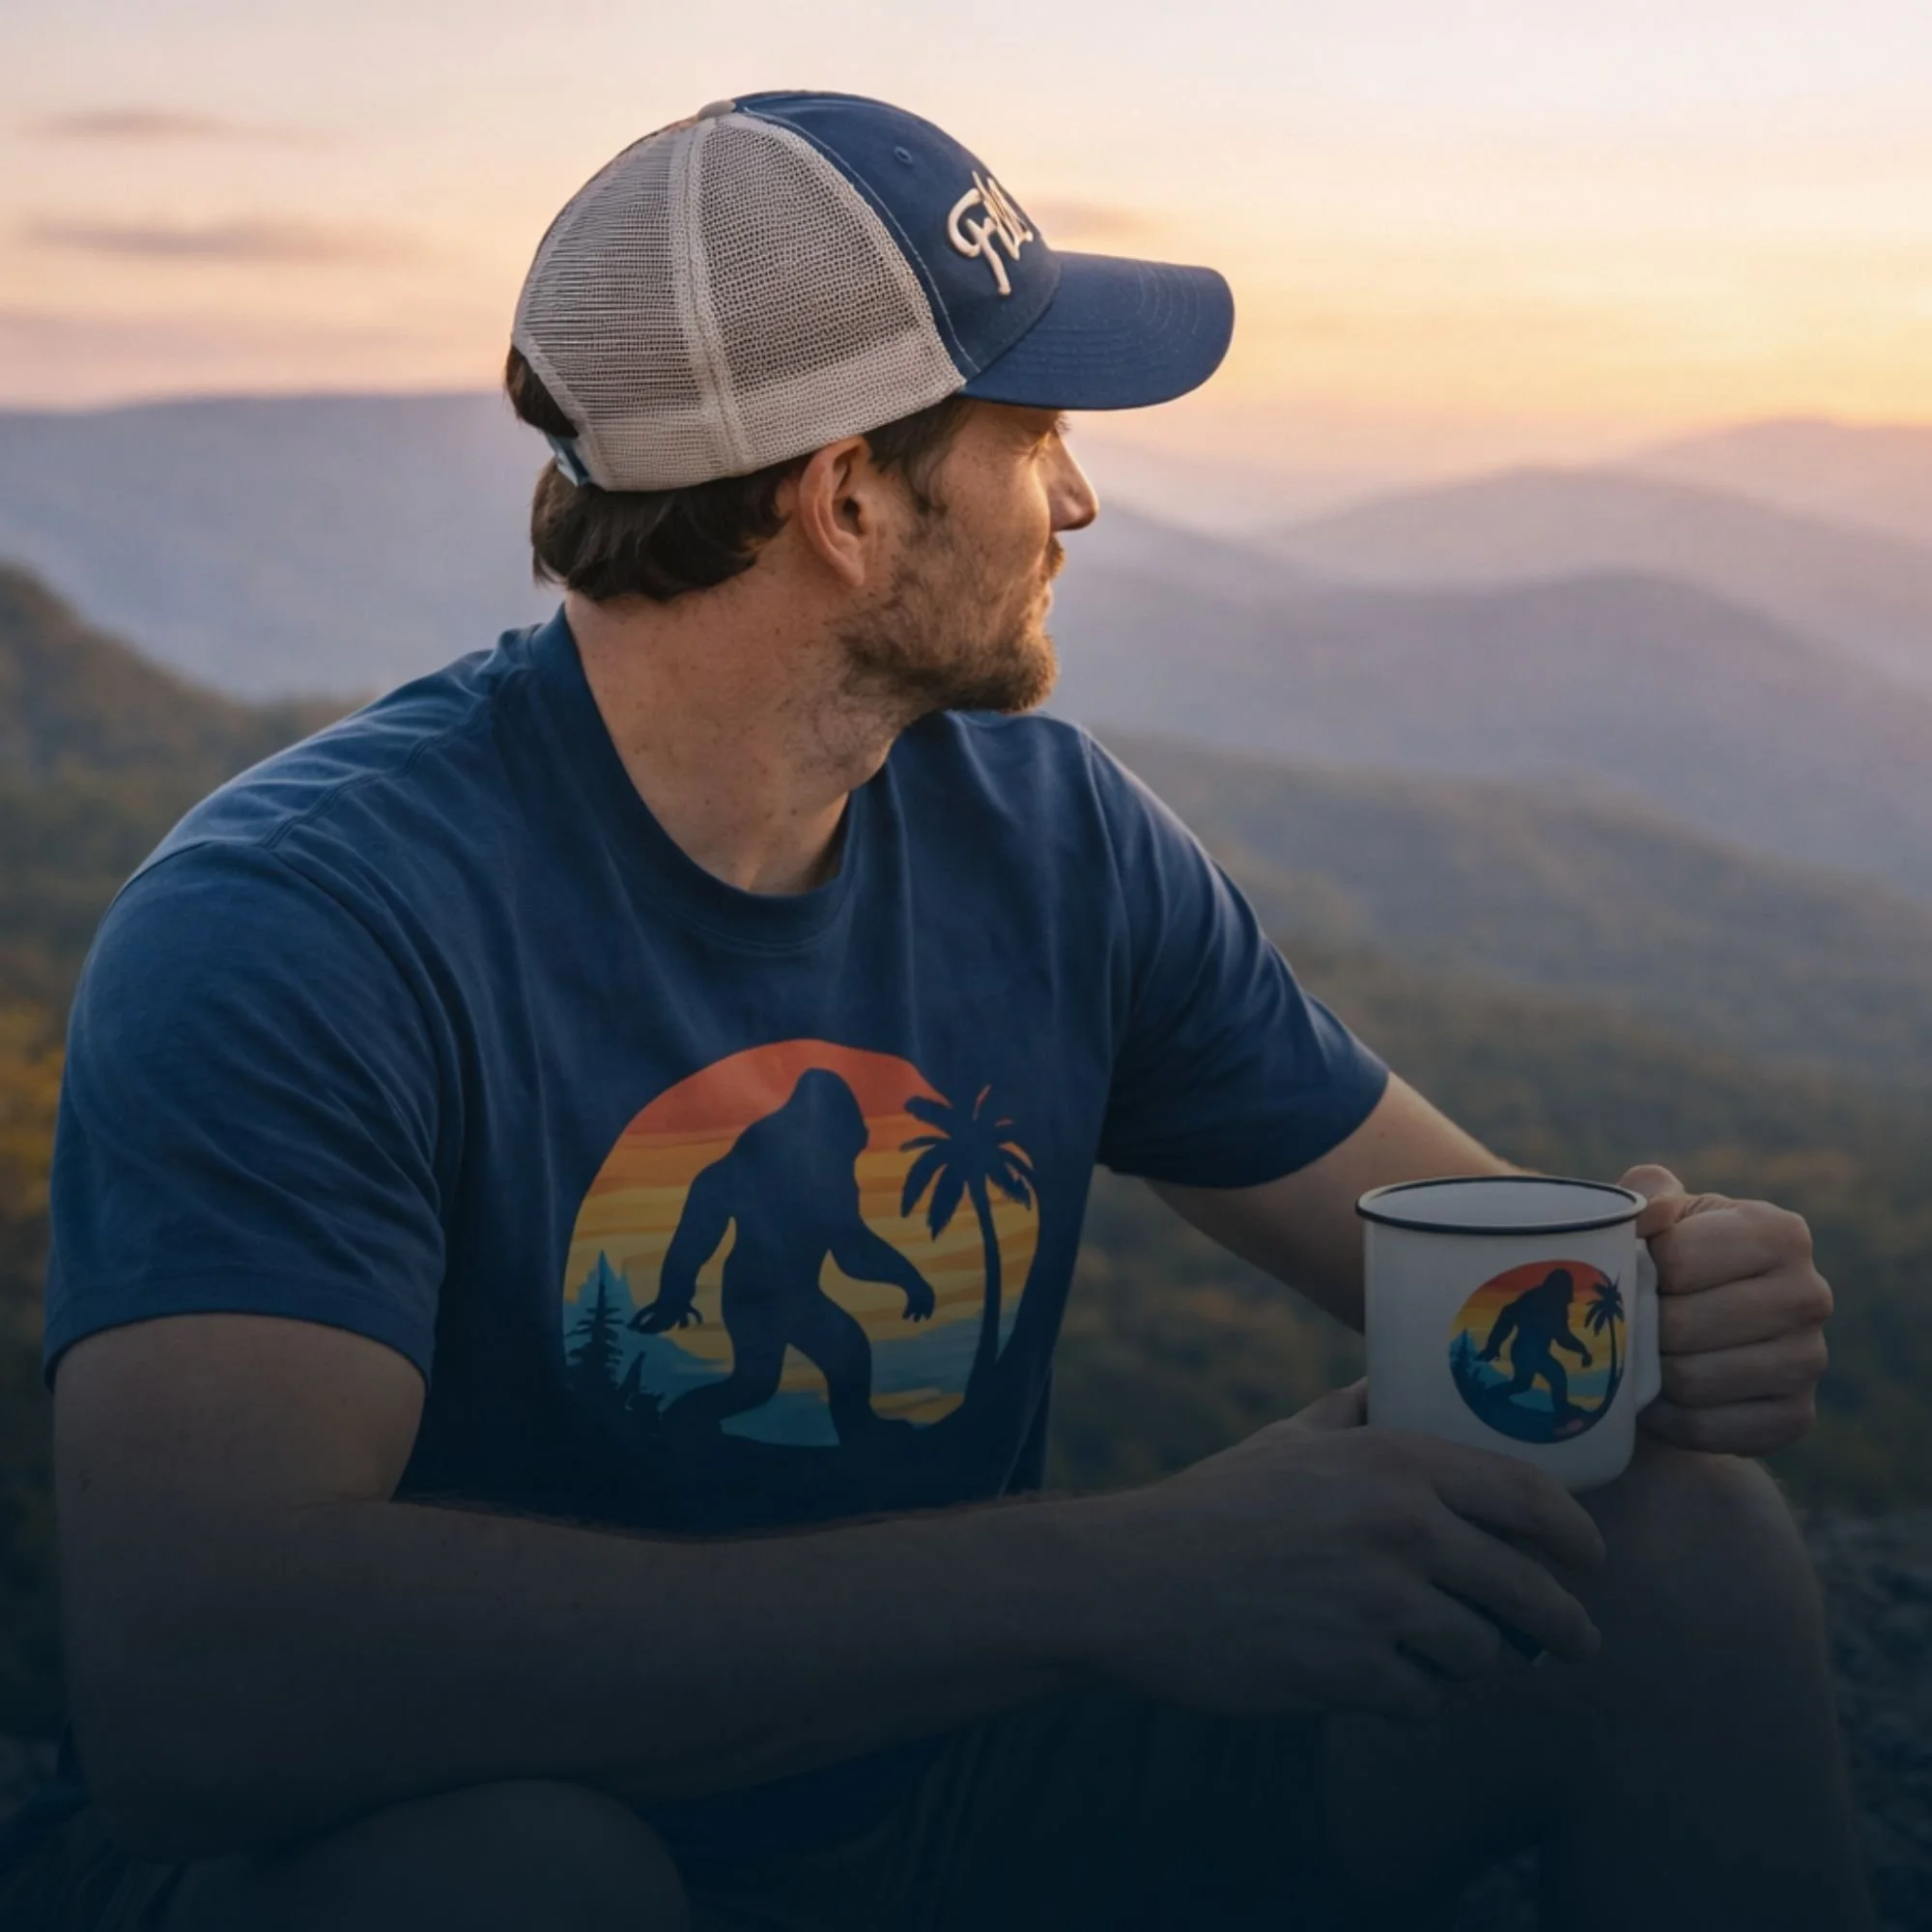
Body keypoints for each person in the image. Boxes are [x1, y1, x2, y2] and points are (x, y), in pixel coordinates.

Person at [0, 91, 1866, 1931]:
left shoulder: (1052, 842)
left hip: (945, 1788)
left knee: (1673, 1545)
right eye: (1036, 428)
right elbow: (204, 1693)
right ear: (849, 503)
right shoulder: (304, 928)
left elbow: (1468, 1263)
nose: (1081, 493)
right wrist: (1111, 1579)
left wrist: (1652, 1299)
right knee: (510, 1884)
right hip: (486, 1820)